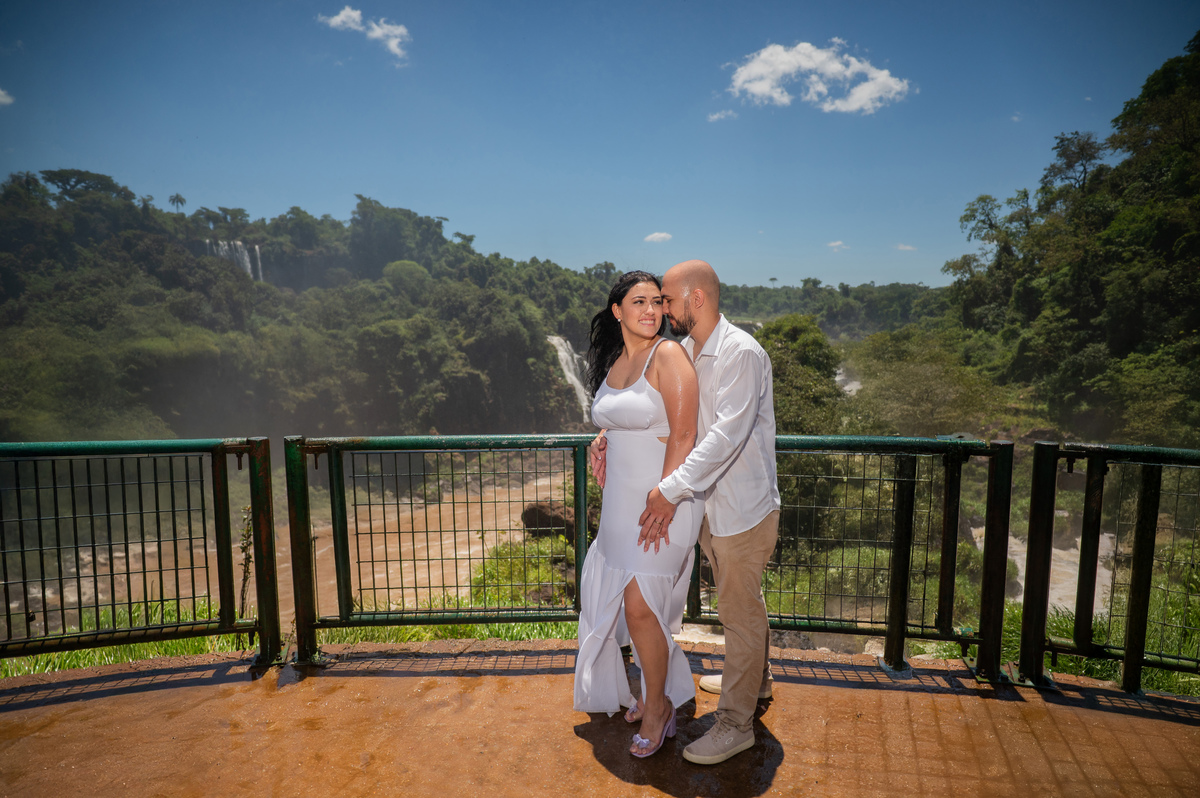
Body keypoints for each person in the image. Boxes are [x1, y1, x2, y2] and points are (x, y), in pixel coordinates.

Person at [636, 258, 781, 765]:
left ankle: (736, 725)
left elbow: (725, 438)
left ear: (696, 298)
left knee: (738, 615)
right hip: (714, 510)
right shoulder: (691, 353)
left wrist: (670, 490)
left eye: (668, 300)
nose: (662, 309)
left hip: (744, 512)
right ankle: (756, 681)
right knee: (741, 605)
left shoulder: (740, 353)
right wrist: (607, 434)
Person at [573, 270, 704, 759]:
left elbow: (685, 433)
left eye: (656, 302)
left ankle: (658, 708)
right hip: (619, 506)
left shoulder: (667, 354)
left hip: (662, 502)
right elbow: (623, 417)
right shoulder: (616, 360)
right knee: (634, 607)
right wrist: (602, 440)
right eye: (639, 301)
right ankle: (651, 695)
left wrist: (666, 496)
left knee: (641, 607)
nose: (651, 311)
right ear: (617, 311)